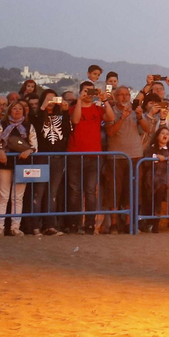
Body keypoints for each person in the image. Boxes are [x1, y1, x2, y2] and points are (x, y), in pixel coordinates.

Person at [66, 83, 113, 234]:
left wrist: (104, 100)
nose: (89, 94)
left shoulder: (98, 109)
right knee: (74, 190)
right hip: (75, 154)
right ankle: (74, 223)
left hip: (93, 155)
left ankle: (90, 224)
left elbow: (111, 117)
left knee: (91, 191)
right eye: (86, 91)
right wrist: (80, 100)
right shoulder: (73, 108)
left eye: (90, 91)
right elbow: (76, 120)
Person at [104, 86, 150, 233]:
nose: (124, 97)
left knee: (132, 191)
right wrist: (122, 118)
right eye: (121, 95)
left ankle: (129, 223)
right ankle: (114, 224)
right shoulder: (111, 111)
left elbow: (147, 129)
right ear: (115, 96)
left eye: (127, 95)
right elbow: (110, 132)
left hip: (135, 156)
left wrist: (140, 117)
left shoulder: (135, 110)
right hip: (116, 156)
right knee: (114, 191)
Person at [0, 100, 36, 236]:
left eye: (20, 109)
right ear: (10, 111)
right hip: (4, 163)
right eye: (14, 109)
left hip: (22, 163)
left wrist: (28, 151)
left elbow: (34, 145)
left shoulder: (28, 126)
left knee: (18, 197)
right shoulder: (2, 125)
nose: (17, 111)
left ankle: (15, 226)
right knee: (3, 195)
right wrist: (0, 151)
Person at [33, 92, 72, 236]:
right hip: (41, 157)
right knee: (38, 192)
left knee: (52, 193)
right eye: (47, 98)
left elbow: (67, 131)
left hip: (58, 158)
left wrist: (66, 111)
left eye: (53, 98)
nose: (50, 101)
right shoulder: (37, 116)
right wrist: (42, 108)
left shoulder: (61, 117)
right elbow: (35, 129)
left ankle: (50, 225)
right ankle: (35, 225)